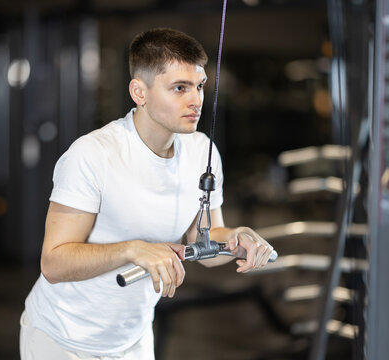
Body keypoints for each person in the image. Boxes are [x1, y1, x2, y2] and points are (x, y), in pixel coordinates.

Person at [20, 27, 275, 360]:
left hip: (134, 340)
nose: (196, 99)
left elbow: (207, 237)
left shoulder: (202, 151)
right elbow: (53, 263)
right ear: (139, 92)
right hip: (61, 340)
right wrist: (132, 250)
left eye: (199, 86)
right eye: (179, 88)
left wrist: (237, 239)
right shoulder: (93, 154)